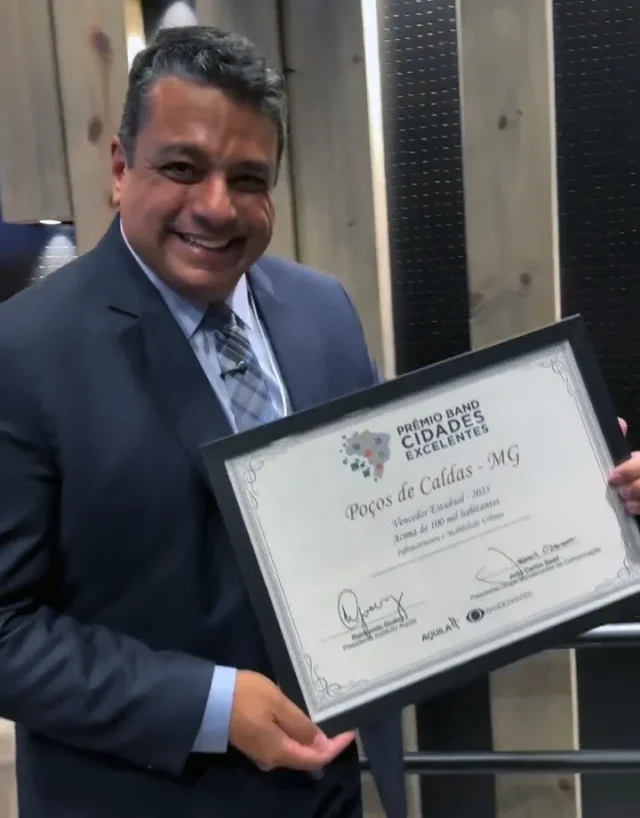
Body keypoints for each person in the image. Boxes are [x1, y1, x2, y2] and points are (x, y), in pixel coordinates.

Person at [0, 25, 407, 818]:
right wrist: (211, 706)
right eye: (183, 168)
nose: (217, 207)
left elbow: (384, 493)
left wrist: (578, 486)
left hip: (332, 791)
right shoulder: (21, 353)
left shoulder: (323, 310)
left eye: (248, 178)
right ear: (121, 167)